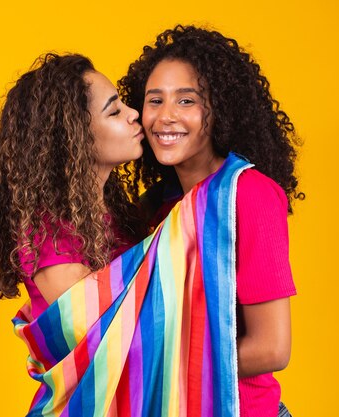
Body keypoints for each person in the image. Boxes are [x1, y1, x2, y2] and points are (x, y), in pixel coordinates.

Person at [118, 25, 303, 417]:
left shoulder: (248, 194)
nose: (165, 116)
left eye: (187, 101)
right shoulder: (155, 209)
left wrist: (154, 372)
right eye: (155, 100)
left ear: (219, 109)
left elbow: (272, 347)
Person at [0, 52, 146, 317]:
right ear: (75, 137)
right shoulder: (49, 236)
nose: (134, 113)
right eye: (114, 111)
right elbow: (102, 329)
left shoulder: (114, 212)